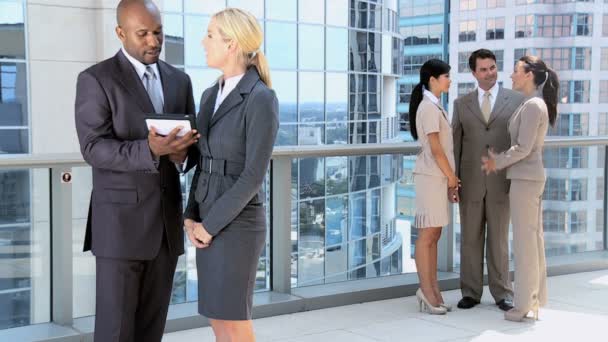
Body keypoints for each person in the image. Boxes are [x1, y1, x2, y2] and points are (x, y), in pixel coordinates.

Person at [74, 1, 199, 341]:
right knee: (115, 331)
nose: (153, 41)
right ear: (120, 33)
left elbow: (189, 151)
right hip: (119, 228)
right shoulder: (96, 79)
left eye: (157, 32)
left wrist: (179, 155)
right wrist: (149, 150)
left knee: (151, 330)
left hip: (165, 228)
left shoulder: (180, 80)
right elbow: (93, 148)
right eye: (142, 34)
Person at [182, 8, 279, 341]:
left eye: (210, 34)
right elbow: (204, 161)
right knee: (217, 318)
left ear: (232, 43)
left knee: (235, 322)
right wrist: (191, 216)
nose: (203, 41)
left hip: (237, 224)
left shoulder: (260, 98)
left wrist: (209, 226)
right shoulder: (211, 94)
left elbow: (253, 175)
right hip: (207, 217)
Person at [481, 55, 559, 322]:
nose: (511, 75)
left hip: (526, 181)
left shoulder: (533, 106)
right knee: (532, 241)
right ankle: (533, 300)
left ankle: (524, 304)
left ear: (528, 75)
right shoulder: (531, 104)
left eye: (516, 71)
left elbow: (523, 148)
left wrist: (496, 162)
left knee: (526, 244)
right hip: (527, 179)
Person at [452, 49, 523, 311]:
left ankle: (503, 292)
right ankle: (470, 292)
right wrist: (453, 181)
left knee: (500, 239)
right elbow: (455, 145)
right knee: (469, 239)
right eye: (483, 69)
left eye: (492, 67)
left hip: (502, 181)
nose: (489, 73)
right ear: (473, 73)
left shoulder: (515, 100)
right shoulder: (462, 104)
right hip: (470, 181)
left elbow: (520, 142)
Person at [410, 59, 457, 315]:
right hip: (431, 177)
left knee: (434, 235)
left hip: (438, 177)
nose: (449, 80)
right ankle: (426, 291)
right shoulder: (428, 108)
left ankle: (433, 289)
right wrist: (451, 177)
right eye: (446, 76)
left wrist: (450, 178)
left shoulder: (436, 106)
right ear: (433, 79)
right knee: (427, 235)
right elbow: (437, 149)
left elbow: (444, 150)